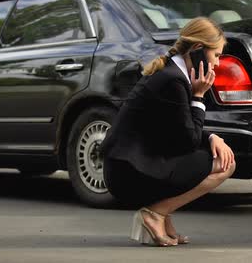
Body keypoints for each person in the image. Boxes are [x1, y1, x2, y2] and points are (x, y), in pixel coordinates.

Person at [101, 17, 236, 247]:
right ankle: (155, 214)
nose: (217, 64)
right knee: (225, 163)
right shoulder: (173, 81)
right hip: (128, 174)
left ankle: (162, 216)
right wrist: (199, 96)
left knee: (214, 152)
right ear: (198, 49)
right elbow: (189, 141)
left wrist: (213, 136)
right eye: (216, 56)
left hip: (129, 166)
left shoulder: (171, 72)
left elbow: (177, 128)